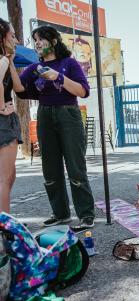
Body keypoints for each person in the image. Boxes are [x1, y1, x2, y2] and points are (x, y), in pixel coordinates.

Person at [9, 26, 95, 230]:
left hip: (68, 114)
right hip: (45, 115)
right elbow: (20, 88)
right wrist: (10, 62)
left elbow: (83, 91)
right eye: (35, 40)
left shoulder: (69, 63)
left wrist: (58, 77)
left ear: (54, 41)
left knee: (76, 167)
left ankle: (86, 215)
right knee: (50, 169)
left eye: (40, 39)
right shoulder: (34, 68)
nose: (37, 43)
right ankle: (61, 214)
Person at [0, 19, 21, 214]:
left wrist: (11, 60)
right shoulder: (2, 60)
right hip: (3, 120)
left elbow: (19, 88)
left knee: (9, 175)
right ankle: (5, 230)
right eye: (12, 35)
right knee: (5, 178)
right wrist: (1, 107)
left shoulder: (6, 59)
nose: (15, 39)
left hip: (6, 120)